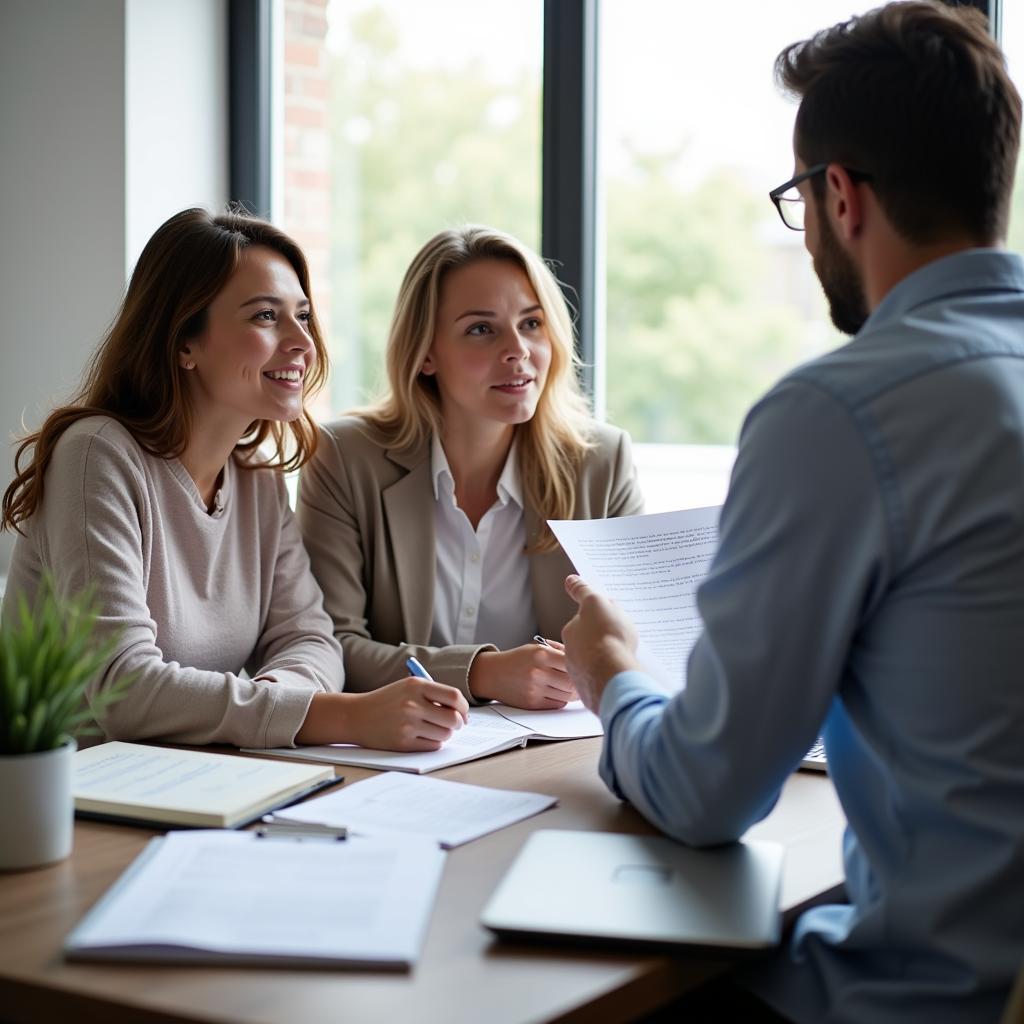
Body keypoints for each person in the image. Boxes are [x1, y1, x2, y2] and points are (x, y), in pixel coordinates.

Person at [560, 4, 1024, 1022]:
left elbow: (706, 792)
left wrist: (611, 675)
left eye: (797, 197)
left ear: (840, 196)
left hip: (927, 997)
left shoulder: (843, 411)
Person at [1, 208, 468, 752]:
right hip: (76, 801)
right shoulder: (97, 455)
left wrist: (275, 700)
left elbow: (311, 640)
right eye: (266, 317)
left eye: (304, 315)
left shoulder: (256, 478)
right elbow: (121, 690)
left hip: (204, 778)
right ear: (183, 343)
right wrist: (343, 718)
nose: (302, 342)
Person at [297, 225, 644, 709]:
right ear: (425, 354)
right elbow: (329, 646)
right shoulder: (344, 456)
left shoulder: (602, 463)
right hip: (402, 751)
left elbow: (632, 641)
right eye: (481, 329)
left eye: (531, 323)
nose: (518, 351)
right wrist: (480, 672)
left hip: (554, 749)